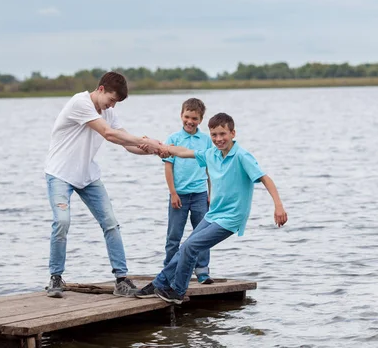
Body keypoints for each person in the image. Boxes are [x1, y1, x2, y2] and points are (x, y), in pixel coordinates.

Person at [134, 112, 288, 304]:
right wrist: (159, 147)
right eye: (214, 135)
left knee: (190, 247)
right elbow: (183, 152)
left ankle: (178, 291)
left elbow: (265, 178)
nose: (218, 139)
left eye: (222, 134)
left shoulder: (241, 156)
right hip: (213, 213)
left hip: (231, 218)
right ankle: (159, 283)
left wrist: (278, 206)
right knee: (185, 248)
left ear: (233, 133)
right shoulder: (211, 154)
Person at [44, 71, 162, 298]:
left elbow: (125, 141)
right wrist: (145, 140)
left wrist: (155, 150)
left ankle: (121, 280)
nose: (112, 107)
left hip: (87, 175)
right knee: (62, 222)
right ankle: (55, 277)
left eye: (116, 103)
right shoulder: (80, 103)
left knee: (111, 223)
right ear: (100, 90)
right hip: (60, 174)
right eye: (111, 100)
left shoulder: (107, 111)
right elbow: (108, 134)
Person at [161, 98, 215, 284]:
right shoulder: (173, 139)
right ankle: (169, 271)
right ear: (181, 115)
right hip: (179, 195)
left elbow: (211, 169)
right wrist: (173, 193)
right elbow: (168, 168)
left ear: (200, 119)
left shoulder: (207, 141)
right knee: (174, 236)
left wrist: (211, 193)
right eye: (187, 116)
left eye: (194, 118)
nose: (190, 121)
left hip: (200, 194)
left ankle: (202, 271)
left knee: (203, 235)